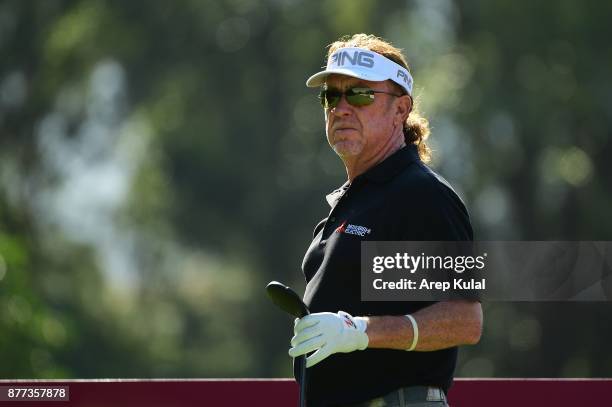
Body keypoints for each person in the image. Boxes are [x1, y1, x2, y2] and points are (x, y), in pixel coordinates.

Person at [288, 34, 483, 406]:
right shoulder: (351, 203)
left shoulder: (422, 195)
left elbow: (465, 319)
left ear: (400, 109)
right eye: (332, 96)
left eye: (360, 94)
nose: (341, 108)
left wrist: (359, 331)